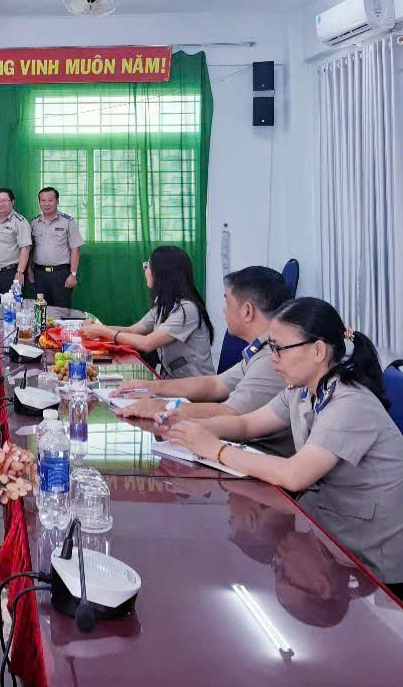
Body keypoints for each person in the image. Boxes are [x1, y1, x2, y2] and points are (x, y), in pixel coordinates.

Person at [160, 297, 403, 594]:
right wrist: (189, 427)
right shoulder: (302, 389)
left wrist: (216, 449)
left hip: (373, 557)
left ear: (318, 351)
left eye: (279, 348)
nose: (272, 356)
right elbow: (247, 424)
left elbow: (294, 474)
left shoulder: (350, 402)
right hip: (332, 535)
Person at [112, 266, 294, 455]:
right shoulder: (260, 348)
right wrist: (152, 387)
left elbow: (230, 413)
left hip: (261, 454)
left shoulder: (272, 358)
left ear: (247, 311)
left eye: (227, 302)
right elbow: (215, 384)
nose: (224, 310)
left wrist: (160, 407)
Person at [81, 246, 215, 378]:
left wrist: (102, 331)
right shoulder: (164, 304)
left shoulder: (186, 309)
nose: (145, 271)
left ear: (162, 274)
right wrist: (98, 328)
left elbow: (146, 343)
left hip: (196, 385)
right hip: (174, 380)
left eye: (148, 267)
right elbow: (134, 330)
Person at [28, 187, 82, 309]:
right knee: (41, 310)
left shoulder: (68, 221)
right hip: (39, 274)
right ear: (39, 202)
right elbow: (30, 249)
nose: (46, 204)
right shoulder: (34, 222)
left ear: (57, 201)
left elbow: (75, 249)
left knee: (62, 310)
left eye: (50, 200)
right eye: (43, 200)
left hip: (61, 274)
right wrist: (29, 270)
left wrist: (73, 274)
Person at [0, 187, 32, 301]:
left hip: (10, 274)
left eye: (4, 200)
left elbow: (25, 248)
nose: (1, 204)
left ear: (12, 202)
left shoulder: (20, 222)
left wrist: (19, 273)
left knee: (11, 307)